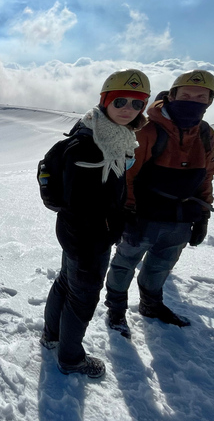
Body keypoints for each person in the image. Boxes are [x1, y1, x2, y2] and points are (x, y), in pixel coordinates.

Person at [41, 69, 150, 378]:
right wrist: (111, 227)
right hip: (88, 238)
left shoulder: (106, 134)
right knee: (83, 298)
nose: (129, 109)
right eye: (121, 101)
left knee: (66, 282)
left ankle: (52, 336)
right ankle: (71, 358)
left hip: (78, 235)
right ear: (105, 101)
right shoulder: (91, 146)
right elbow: (83, 205)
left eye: (137, 103)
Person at [104, 70, 214, 337]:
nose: (193, 101)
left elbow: (207, 174)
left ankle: (151, 305)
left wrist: (203, 213)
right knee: (124, 263)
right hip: (142, 214)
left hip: (180, 217)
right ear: (172, 95)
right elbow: (127, 173)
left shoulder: (205, 133)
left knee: (161, 265)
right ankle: (116, 310)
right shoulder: (148, 129)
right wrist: (127, 210)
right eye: (186, 95)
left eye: (201, 96)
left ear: (210, 101)